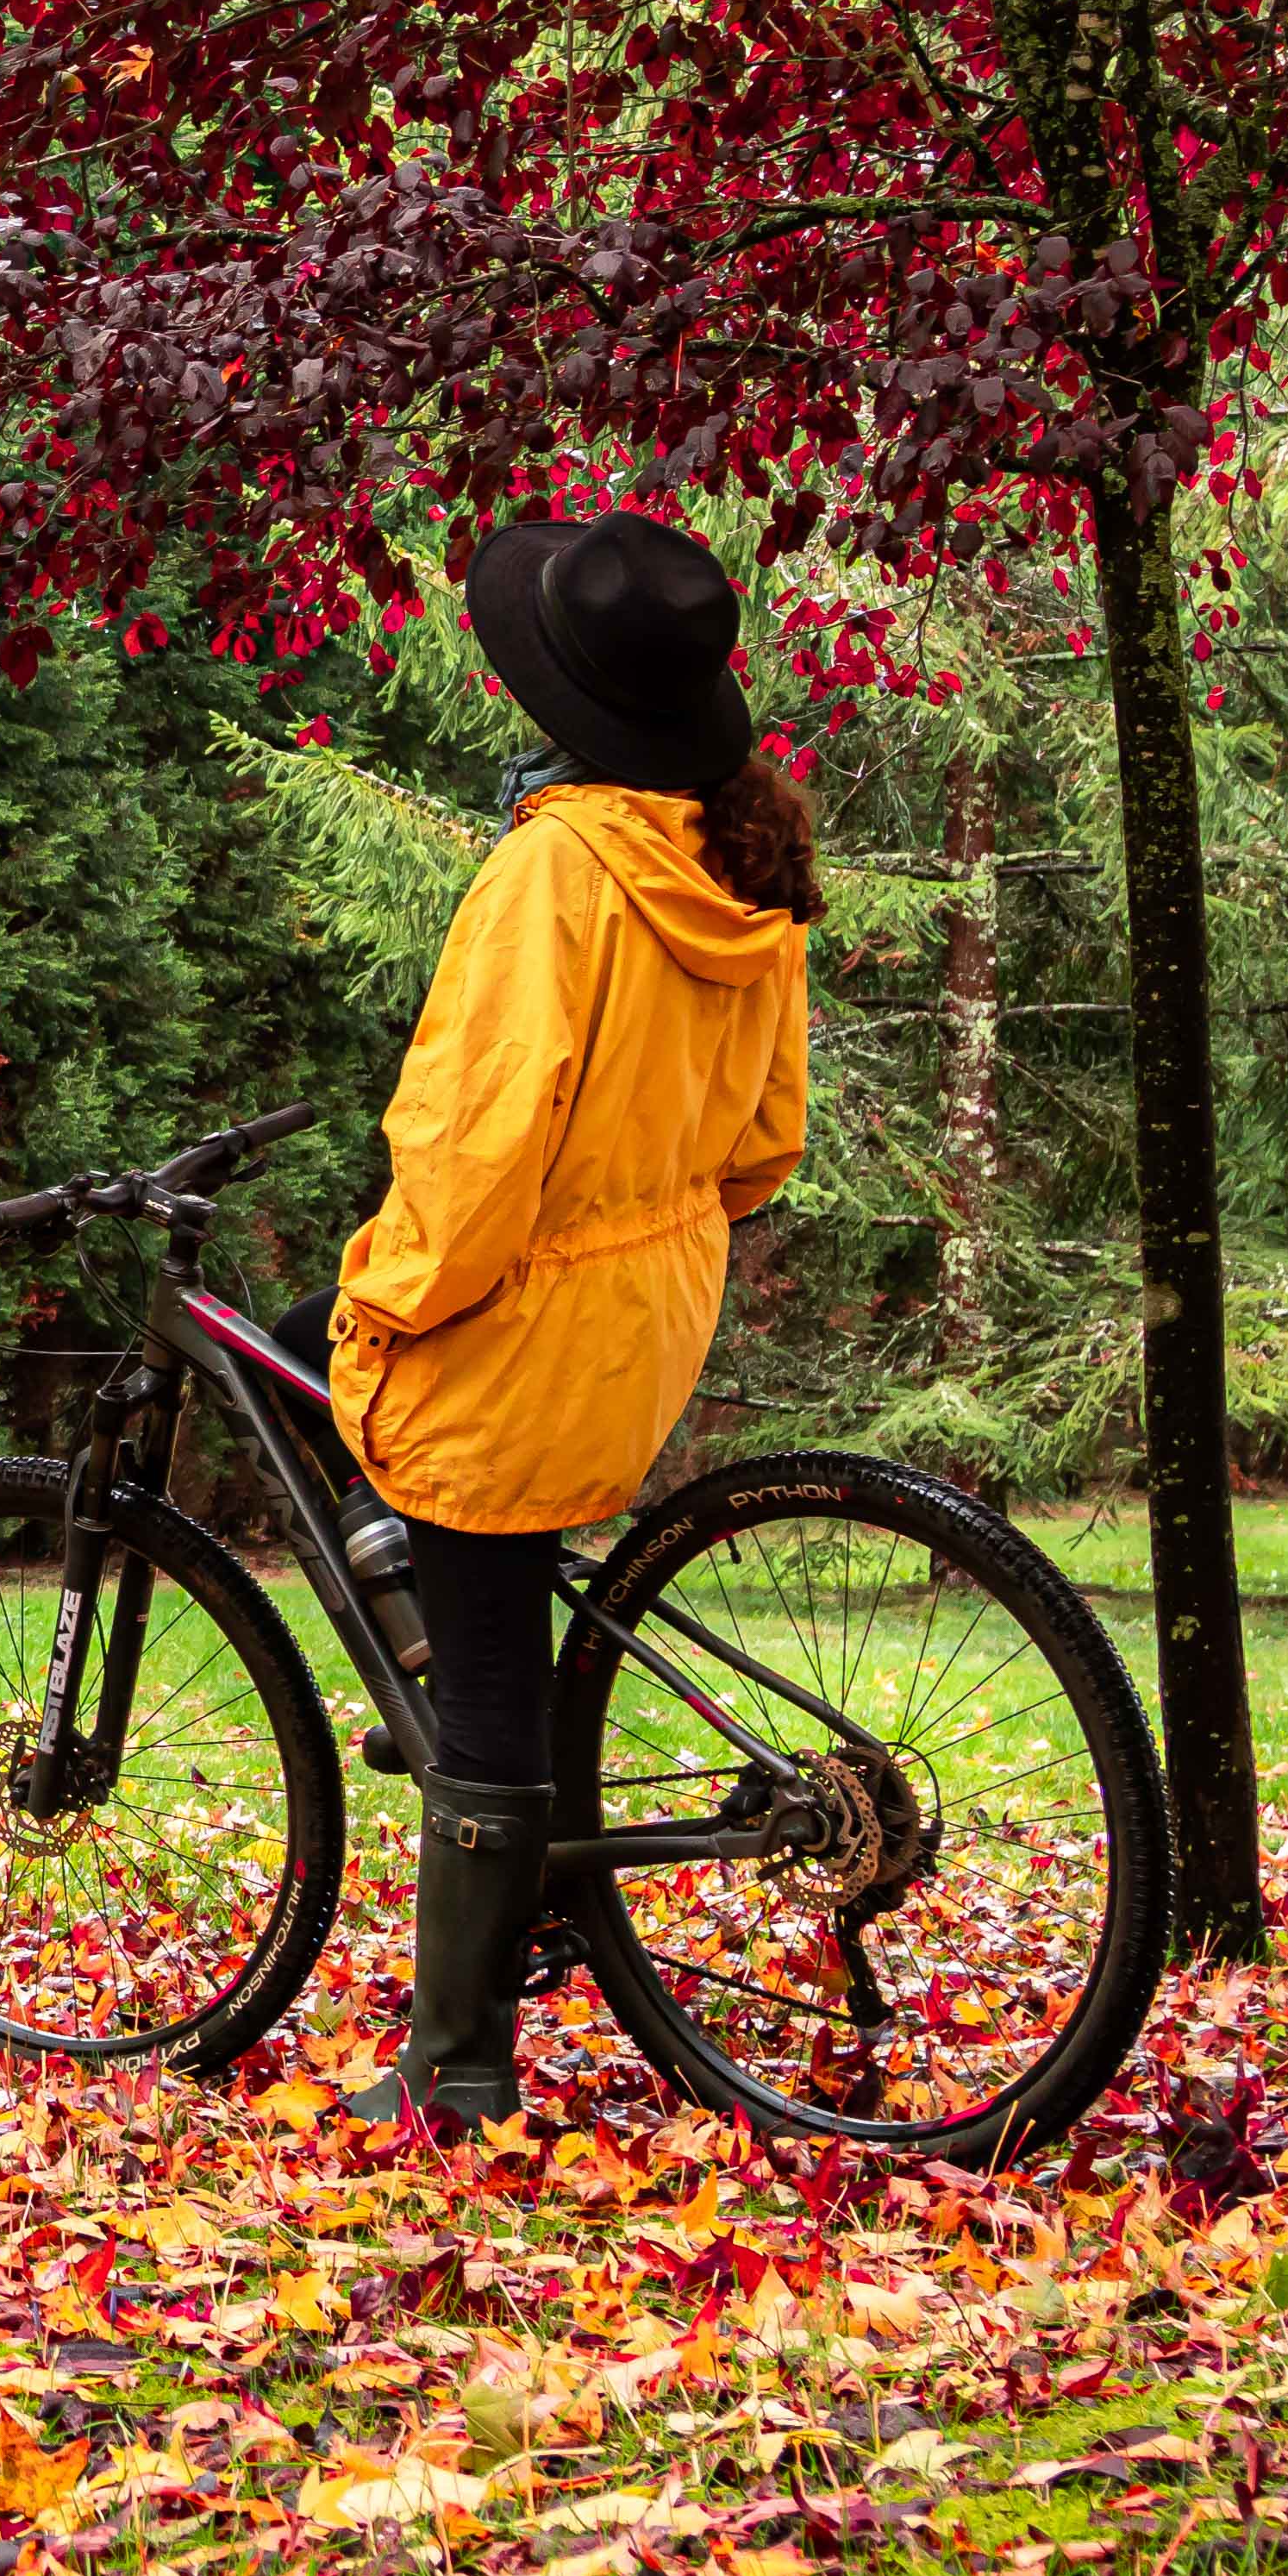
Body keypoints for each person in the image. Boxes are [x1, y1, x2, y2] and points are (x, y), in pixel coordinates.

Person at [311, 510, 820, 2129]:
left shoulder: (557, 870)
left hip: (526, 1315)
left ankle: (458, 2062)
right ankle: (519, 1870)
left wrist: (384, 1300)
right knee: (472, 1581)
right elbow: (765, 1144)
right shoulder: (741, 858)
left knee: (477, 1675)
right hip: (652, 1305)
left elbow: (472, 1153)